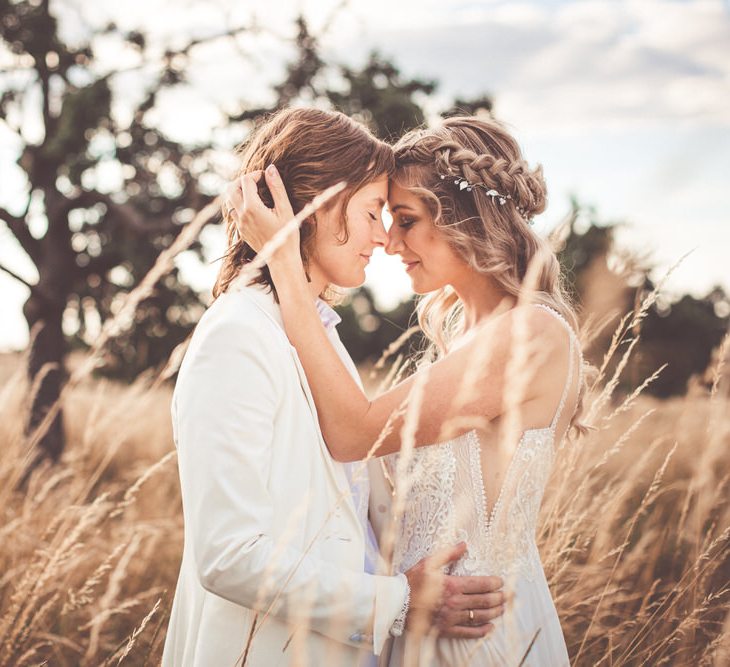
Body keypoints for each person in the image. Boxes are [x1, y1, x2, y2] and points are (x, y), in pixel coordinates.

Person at [229, 115, 585, 666]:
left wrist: (283, 258)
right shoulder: (468, 339)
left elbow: (356, 433)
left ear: (467, 218)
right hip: (425, 620)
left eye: (407, 220)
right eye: (385, 217)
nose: (390, 241)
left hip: (476, 635)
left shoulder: (529, 334)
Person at [162, 108, 507, 667]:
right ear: (314, 206)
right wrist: (397, 602)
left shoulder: (317, 333)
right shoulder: (237, 335)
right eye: (372, 211)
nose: (384, 235)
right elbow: (227, 555)